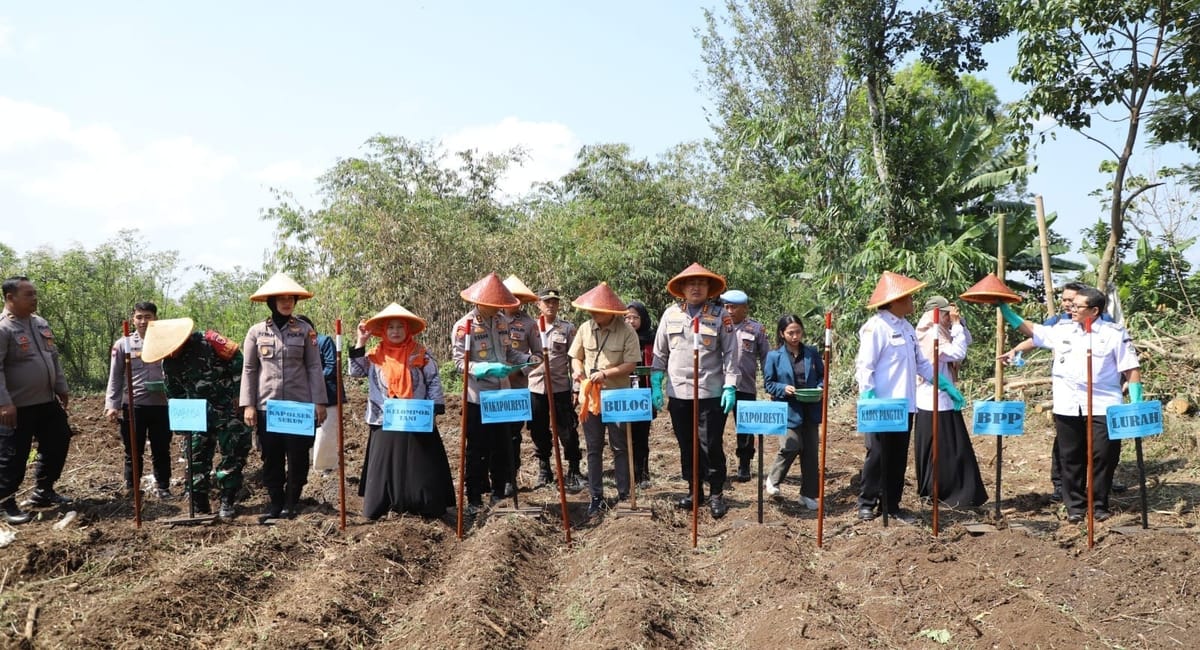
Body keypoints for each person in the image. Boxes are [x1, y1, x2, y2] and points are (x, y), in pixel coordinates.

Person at [997, 286, 1140, 522]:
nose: (1071, 309)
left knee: (1104, 456)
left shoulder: (1114, 334)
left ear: (1094, 310)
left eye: (1078, 306)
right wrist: (1004, 308)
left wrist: (1136, 404)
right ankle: (1075, 506)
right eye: (1071, 305)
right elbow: (1032, 330)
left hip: (1104, 405)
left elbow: (1131, 369)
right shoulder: (1063, 329)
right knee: (1070, 457)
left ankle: (1099, 504)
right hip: (1068, 405)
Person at [854, 272, 963, 522]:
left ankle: (892, 504)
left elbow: (921, 364)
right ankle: (867, 502)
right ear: (895, 301)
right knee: (877, 454)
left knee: (898, 455)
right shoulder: (876, 327)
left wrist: (944, 384)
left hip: (905, 404)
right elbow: (865, 366)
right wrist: (868, 394)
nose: (913, 301)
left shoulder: (907, 329)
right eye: (909, 297)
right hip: (881, 403)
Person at [1008, 281, 1116, 501]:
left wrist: (1131, 390)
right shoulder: (1059, 324)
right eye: (1066, 301)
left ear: (1091, 306)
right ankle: (1068, 495)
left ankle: (1098, 499)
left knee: (1102, 452)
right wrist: (1015, 346)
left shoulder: (1110, 328)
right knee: (1069, 451)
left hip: (1101, 401)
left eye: (1073, 302)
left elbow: (1124, 362)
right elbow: (1035, 335)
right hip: (1068, 399)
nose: (1069, 306)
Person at [348, 303, 454, 519]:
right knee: (384, 464)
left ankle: (424, 503)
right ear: (384, 331)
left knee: (421, 461)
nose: (395, 332)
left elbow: (433, 380)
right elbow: (355, 372)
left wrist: (435, 406)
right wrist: (360, 342)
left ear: (407, 330)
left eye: (399, 327)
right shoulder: (374, 354)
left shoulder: (421, 353)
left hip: (416, 415)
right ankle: (383, 503)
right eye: (390, 328)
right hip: (384, 416)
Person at [141, 318, 253, 519]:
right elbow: (174, 392)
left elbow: (238, 362)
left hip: (227, 409)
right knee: (195, 458)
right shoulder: (170, 363)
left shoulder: (209, 341)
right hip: (196, 414)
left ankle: (227, 500)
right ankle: (199, 503)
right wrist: (181, 420)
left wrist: (239, 395)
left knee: (233, 454)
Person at [652, 263, 738, 519]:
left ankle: (716, 494)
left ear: (709, 289)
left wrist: (730, 385)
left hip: (710, 392)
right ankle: (694, 490)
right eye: (691, 284)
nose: (696, 287)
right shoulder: (670, 315)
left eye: (701, 284)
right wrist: (657, 383)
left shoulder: (721, 316)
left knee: (710, 444)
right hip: (679, 393)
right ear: (682, 289)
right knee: (686, 444)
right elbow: (660, 352)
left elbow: (732, 353)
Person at [240, 272, 328, 521]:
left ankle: (292, 503)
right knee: (271, 457)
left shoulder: (305, 331)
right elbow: (249, 369)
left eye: (291, 299)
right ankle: (275, 504)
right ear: (272, 302)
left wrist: (319, 402)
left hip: (298, 407)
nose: (287, 303)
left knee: (298, 455)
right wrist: (248, 405)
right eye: (282, 299)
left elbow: (314, 368)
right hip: (268, 408)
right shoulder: (256, 332)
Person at [451, 273, 540, 515]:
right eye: (492, 303)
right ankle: (475, 498)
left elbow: (509, 354)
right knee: (477, 448)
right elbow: (460, 363)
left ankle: (499, 493)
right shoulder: (464, 326)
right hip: (478, 397)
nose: (496, 307)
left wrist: (527, 360)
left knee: (503, 446)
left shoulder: (502, 323)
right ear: (479, 302)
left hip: (502, 395)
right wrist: (482, 368)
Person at [0, 276, 72, 525]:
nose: (35, 298)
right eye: (29, 294)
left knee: (59, 439)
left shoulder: (40, 323)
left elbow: (53, 358)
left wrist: (61, 387)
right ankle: (5, 503)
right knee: (13, 455)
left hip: (46, 401)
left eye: (35, 293)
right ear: (10, 298)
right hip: (16, 406)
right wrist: (4, 403)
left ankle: (43, 491)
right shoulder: (3, 328)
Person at [568, 282, 642, 517]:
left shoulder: (626, 331)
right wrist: (578, 371)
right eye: (592, 310)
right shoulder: (584, 329)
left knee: (620, 446)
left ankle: (623, 494)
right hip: (590, 398)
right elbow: (575, 357)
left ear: (610, 312)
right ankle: (596, 496)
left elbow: (631, 363)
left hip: (616, 396)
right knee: (593, 448)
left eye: (598, 310)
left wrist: (606, 374)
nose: (593, 314)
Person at [913, 296, 987, 509]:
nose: (949, 317)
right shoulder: (931, 334)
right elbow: (958, 351)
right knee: (945, 449)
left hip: (943, 397)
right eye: (946, 314)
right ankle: (945, 492)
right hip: (933, 398)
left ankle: (949, 492)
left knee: (950, 447)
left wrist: (959, 324)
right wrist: (955, 325)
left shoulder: (942, 331)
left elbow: (967, 339)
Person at [103, 302, 173, 499]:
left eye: (148, 316)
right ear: (133, 319)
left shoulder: (166, 343)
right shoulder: (123, 344)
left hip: (162, 405)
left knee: (162, 448)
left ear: (155, 319)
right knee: (133, 449)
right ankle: (132, 487)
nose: (143, 321)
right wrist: (112, 405)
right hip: (134, 405)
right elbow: (115, 376)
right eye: (139, 317)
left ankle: (163, 486)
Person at [762, 315, 823, 510]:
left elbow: (822, 375)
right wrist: (783, 388)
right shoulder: (774, 356)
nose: (795, 336)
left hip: (810, 407)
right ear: (782, 334)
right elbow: (769, 383)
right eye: (790, 333)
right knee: (792, 445)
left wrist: (820, 388)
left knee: (811, 453)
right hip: (788, 408)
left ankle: (808, 495)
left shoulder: (811, 353)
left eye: (798, 331)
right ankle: (773, 479)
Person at [528, 288, 583, 491]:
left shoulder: (567, 329)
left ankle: (574, 469)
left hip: (560, 387)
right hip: (535, 387)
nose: (551, 305)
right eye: (547, 302)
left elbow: (574, 360)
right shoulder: (530, 328)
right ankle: (544, 470)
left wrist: (576, 388)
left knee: (567, 429)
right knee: (538, 430)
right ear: (538, 304)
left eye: (554, 302)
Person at [497, 275, 544, 495]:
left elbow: (538, 355)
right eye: (509, 296)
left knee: (513, 435)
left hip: (517, 388)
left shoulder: (529, 324)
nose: (513, 300)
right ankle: (494, 479)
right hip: (492, 388)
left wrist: (521, 370)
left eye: (517, 297)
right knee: (493, 434)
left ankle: (510, 478)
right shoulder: (492, 320)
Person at [719, 289, 771, 482]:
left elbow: (766, 357)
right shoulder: (718, 326)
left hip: (745, 386)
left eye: (734, 307)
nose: (730, 311)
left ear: (745, 308)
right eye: (726, 306)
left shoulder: (756, 329)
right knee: (715, 428)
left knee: (745, 429)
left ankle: (744, 464)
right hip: (720, 386)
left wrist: (769, 383)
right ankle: (719, 466)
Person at [296, 315, 339, 478]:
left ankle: (326, 467)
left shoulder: (324, 341)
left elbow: (332, 366)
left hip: (328, 394)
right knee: (308, 431)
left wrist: (312, 380)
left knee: (325, 431)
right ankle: (311, 465)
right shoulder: (297, 346)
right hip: (305, 397)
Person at [624, 300, 655, 488]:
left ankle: (643, 472)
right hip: (623, 391)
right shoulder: (620, 337)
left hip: (644, 392)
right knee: (625, 434)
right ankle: (628, 472)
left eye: (635, 317)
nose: (631, 321)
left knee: (642, 434)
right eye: (627, 317)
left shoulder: (651, 338)